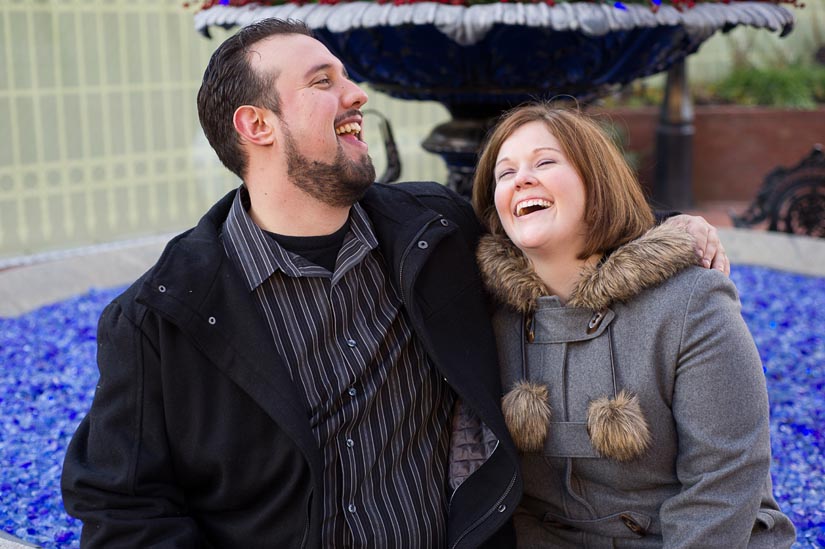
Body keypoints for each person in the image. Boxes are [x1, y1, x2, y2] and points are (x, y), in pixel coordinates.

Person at [61, 19, 728, 548]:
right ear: (256, 124)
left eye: (349, 77)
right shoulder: (161, 317)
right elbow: (121, 502)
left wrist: (669, 236)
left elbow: (561, 237)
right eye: (324, 82)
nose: (357, 95)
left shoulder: (435, 231)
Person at [471, 103, 796, 548]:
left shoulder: (690, 303)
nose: (521, 179)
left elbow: (724, 482)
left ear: (598, 181)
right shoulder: (482, 310)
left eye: (545, 161)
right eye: (504, 174)